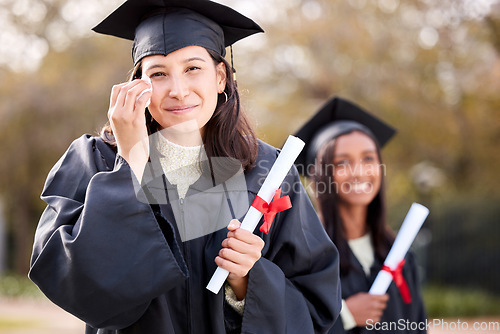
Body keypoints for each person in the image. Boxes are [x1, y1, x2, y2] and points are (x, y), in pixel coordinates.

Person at [28, 1, 341, 333]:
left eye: (193, 68)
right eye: (159, 73)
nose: (177, 90)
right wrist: (131, 162)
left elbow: (315, 305)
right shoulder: (95, 161)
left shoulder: (266, 170)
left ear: (221, 77)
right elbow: (78, 288)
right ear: (138, 85)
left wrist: (248, 282)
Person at [294, 97, 427, 334]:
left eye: (368, 158)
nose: (359, 172)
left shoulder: (399, 255)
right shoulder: (304, 257)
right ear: (321, 176)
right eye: (342, 162)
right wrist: (344, 316)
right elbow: (283, 325)